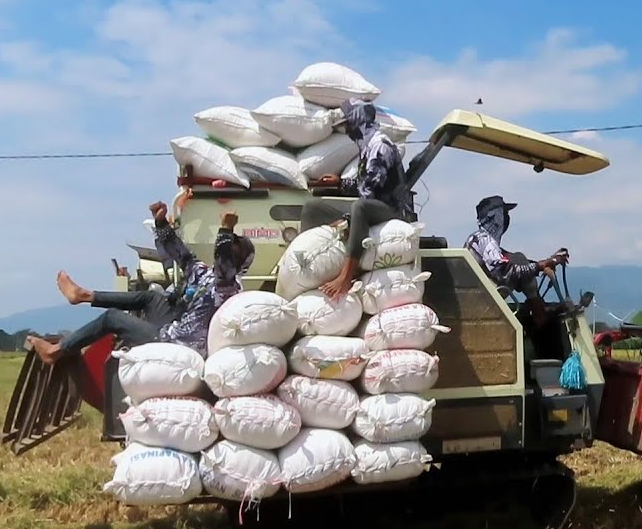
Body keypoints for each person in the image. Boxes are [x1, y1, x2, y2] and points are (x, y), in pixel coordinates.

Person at [25, 202, 254, 364]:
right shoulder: (204, 274)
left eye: (236, 248)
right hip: (173, 326)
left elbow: (224, 265)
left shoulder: (228, 288)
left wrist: (226, 230)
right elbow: (182, 255)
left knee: (112, 318)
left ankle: (55, 352)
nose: (231, 246)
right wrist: (161, 223)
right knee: (150, 297)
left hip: (176, 343)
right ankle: (83, 295)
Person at [303, 98, 412, 300]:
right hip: (372, 205)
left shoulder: (380, 146)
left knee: (360, 208)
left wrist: (346, 220)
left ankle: (346, 275)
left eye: (348, 124)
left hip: (390, 210)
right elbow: (365, 184)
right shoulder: (367, 147)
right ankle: (309, 269)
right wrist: (340, 183)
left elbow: (368, 192)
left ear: (358, 122)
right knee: (312, 208)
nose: (347, 130)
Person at [464, 195, 569, 327]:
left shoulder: (478, 238)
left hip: (476, 295)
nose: (507, 218)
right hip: (483, 300)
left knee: (519, 260)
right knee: (519, 259)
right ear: (494, 216)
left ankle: (538, 309)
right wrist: (543, 264)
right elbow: (507, 272)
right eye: (504, 213)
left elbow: (508, 260)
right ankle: (540, 315)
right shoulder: (486, 241)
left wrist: (545, 262)